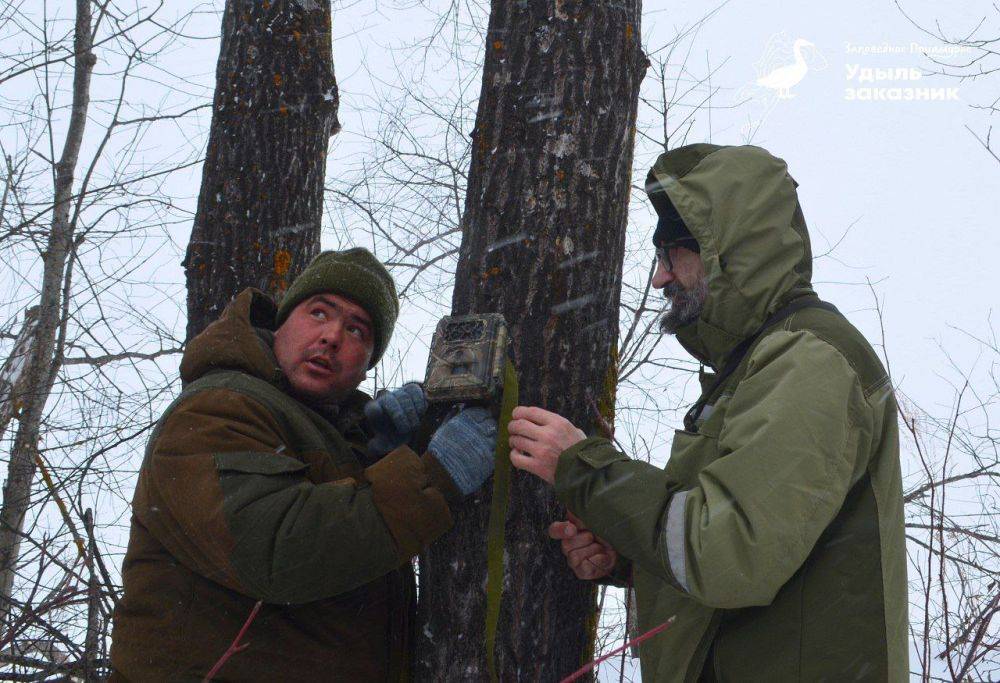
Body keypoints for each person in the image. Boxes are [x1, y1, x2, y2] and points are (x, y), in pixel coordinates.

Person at [507, 144, 908, 681]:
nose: (659, 279)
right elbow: (744, 543)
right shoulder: (761, 364)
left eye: (670, 255)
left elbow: (728, 553)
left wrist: (584, 469)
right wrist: (627, 556)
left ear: (725, 250)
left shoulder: (810, 359)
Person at [110, 247, 496, 681]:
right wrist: (433, 477)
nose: (333, 336)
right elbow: (275, 549)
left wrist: (376, 452)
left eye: (357, 330)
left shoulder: (319, 430)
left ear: (366, 365)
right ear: (282, 322)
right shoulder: (216, 407)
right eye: (318, 313)